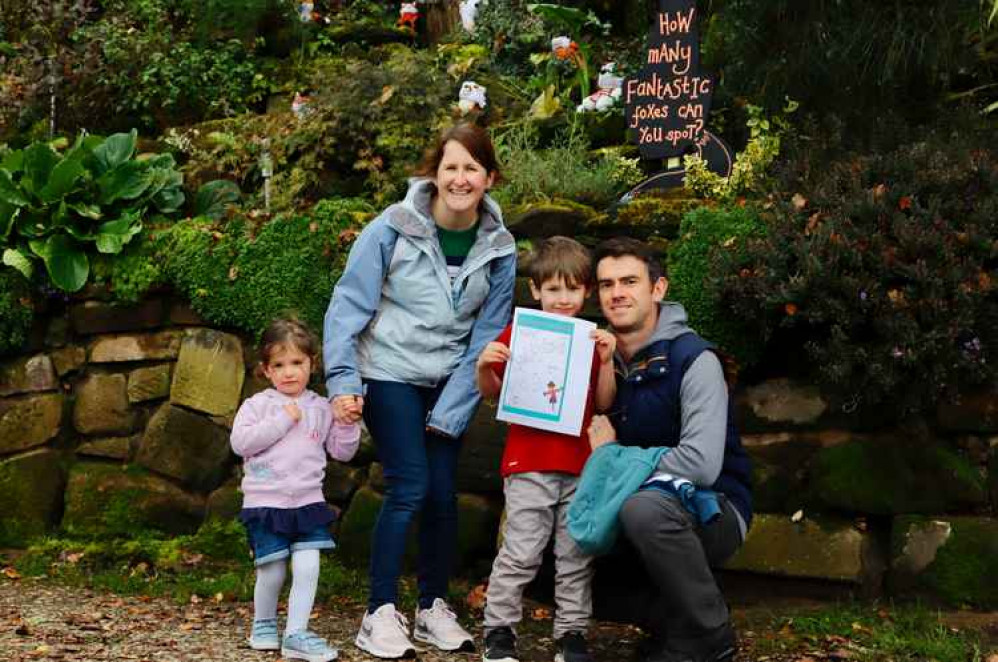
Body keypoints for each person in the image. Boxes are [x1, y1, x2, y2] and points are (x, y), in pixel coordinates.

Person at [323, 123, 516, 659]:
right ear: (433, 173)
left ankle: (432, 607)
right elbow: (347, 307)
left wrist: (453, 408)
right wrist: (342, 380)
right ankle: (378, 612)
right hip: (389, 371)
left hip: (449, 379)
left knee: (441, 493)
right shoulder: (391, 229)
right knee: (409, 484)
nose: (460, 178)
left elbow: (488, 332)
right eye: (451, 167)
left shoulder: (500, 247)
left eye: (472, 169)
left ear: (489, 177)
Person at [586, 237, 753, 662]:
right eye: (607, 285)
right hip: (626, 504)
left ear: (657, 289)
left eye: (629, 281)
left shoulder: (694, 359)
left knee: (644, 510)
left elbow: (700, 463)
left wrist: (612, 459)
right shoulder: (595, 358)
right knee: (547, 547)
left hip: (711, 509)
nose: (617, 293)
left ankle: (711, 634)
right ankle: (674, 624)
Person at [476, 236, 617, 662]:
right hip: (529, 461)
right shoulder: (520, 332)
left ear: (586, 291)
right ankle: (498, 631)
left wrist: (608, 362)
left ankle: (571, 635)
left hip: (579, 464)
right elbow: (491, 394)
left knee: (575, 554)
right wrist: (485, 365)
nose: (562, 298)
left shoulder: (592, 340)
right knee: (521, 550)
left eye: (572, 288)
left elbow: (605, 403)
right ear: (535, 290)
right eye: (552, 289)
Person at [231, 317, 361, 662]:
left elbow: (342, 451)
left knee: (308, 566)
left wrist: (348, 423)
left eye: (297, 363)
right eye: (279, 365)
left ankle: (296, 633)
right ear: (266, 370)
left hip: (307, 501)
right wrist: (282, 420)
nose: (289, 372)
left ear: (312, 364)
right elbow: (241, 443)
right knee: (271, 569)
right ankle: (263, 625)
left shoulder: (321, 407)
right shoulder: (258, 405)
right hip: (266, 502)